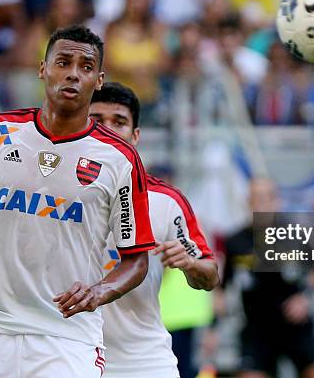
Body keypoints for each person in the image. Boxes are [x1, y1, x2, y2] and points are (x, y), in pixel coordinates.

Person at [0, 25, 155, 377]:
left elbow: (136, 260)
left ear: (99, 79)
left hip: (66, 338)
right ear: (42, 68)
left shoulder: (119, 159)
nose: (73, 74)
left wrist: (100, 291)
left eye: (86, 67)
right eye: (63, 62)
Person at [89, 82, 219, 378]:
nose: (108, 130)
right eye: (96, 121)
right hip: (69, 352)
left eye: (119, 122)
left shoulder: (165, 202)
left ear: (135, 136)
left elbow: (210, 276)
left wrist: (190, 263)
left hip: (141, 360)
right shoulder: (53, 190)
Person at [223, 178, 314, 378]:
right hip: (257, 328)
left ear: (277, 201)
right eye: (255, 198)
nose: (260, 204)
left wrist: (306, 297)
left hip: (295, 326)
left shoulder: (296, 235)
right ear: (248, 202)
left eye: (265, 198)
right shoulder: (236, 242)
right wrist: (213, 327)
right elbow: (221, 288)